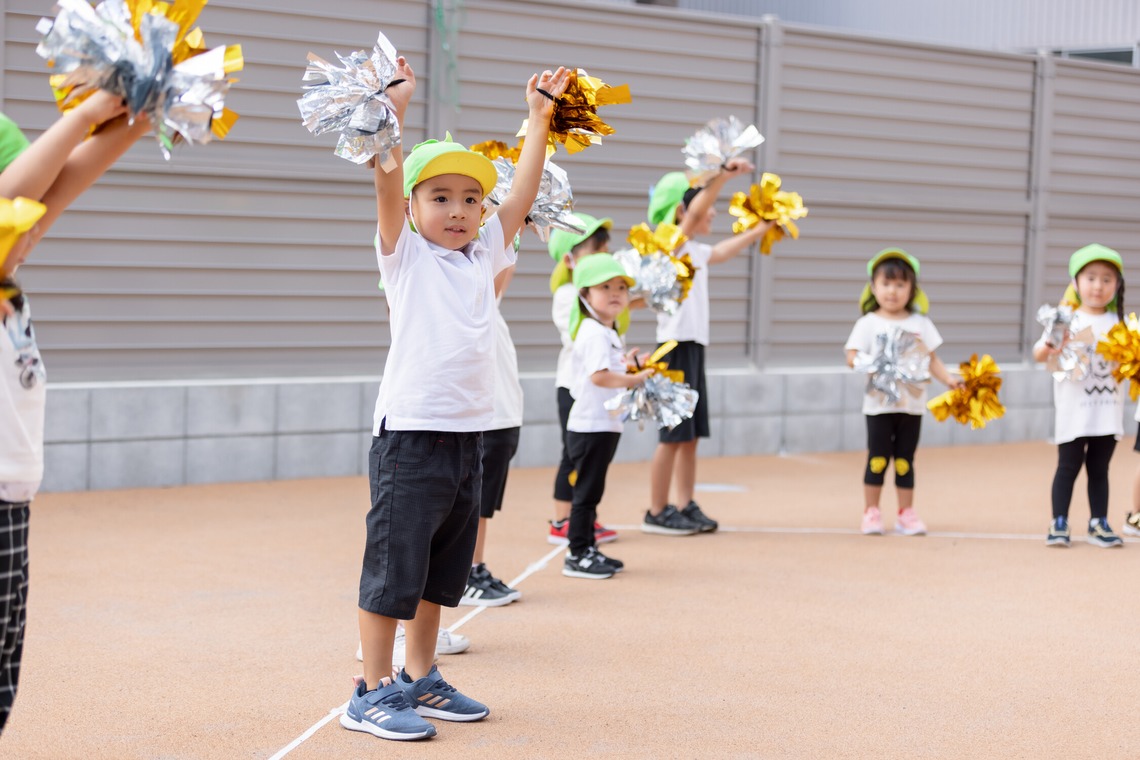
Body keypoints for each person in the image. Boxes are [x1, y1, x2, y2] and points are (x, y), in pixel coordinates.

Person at [343, 56, 569, 742]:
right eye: (439, 197)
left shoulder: (484, 256)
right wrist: (393, 111)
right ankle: (371, 690)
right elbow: (386, 177)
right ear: (414, 210)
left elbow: (520, 195)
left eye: (471, 199)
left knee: (442, 571)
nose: (458, 210)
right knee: (394, 569)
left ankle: (421, 675)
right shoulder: (405, 257)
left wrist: (538, 120)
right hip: (410, 437)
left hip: (468, 437)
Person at [0, 93, 148, 734]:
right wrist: (83, 115)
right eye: (21, 216)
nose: (35, 227)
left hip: (12, 498)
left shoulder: (10, 288)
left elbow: (63, 184)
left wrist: (140, 115)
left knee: (4, 665)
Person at [642, 164, 775, 536]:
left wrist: (759, 230)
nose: (712, 212)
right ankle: (657, 510)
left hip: (693, 350)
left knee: (690, 436)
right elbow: (697, 215)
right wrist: (722, 178)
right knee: (672, 436)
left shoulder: (695, 251)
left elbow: (722, 251)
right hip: (673, 351)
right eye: (703, 205)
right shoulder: (668, 247)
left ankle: (685, 503)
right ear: (681, 211)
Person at [844, 249, 963, 536]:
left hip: (912, 406)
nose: (892, 291)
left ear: (912, 289)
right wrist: (870, 363)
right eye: (886, 284)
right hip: (879, 407)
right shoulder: (868, 323)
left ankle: (905, 513)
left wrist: (949, 379)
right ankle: (871, 512)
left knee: (904, 461)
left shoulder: (920, 324)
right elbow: (851, 355)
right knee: (877, 459)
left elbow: (931, 358)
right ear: (873, 287)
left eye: (900, 284)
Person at [562, 254, 651, 579]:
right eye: (605, 287)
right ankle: (578, 554)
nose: (616, 293)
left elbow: (607, 369)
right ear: (585, 294)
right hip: (591, 426)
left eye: (621, 288)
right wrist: (634, 379)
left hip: (602, 425)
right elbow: (599, 377)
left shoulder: (605, 331)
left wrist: (628, 365)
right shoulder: (594, 332)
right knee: (586, 493)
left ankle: (587, 548)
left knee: (592, 491)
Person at [1033, 244, 1126, 548]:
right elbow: (1038, 354)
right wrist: (1052, 347)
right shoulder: (1065, 319)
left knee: (1099, 469)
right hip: (1074, 411)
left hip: (1107, 411)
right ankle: (1059, 521)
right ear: (1075, 282)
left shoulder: (1121, 324)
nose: (1098, 286)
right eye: (1091, 278)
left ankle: (1098, 522)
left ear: (1117, 285)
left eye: (1107, 279)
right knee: (1068, 467)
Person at [546, 215, 619, 547]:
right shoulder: (568, 294)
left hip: (595, 386)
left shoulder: (594, 295)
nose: (602, 260)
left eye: (605, 252)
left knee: (591, 458)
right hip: (574, 386)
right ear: (569, 260)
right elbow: (579, 336)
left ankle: (583, 517)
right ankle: (563, 520)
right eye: (594, 253)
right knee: (574, 454)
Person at [461, 264, 524, 606]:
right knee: (474, 503)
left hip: (502, 417)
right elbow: (500, 268)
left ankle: (474, 568)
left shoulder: (487, 303)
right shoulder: (474, 302)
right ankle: (467, 572)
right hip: (488, 418)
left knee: (482, 505)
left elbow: (503, 266)